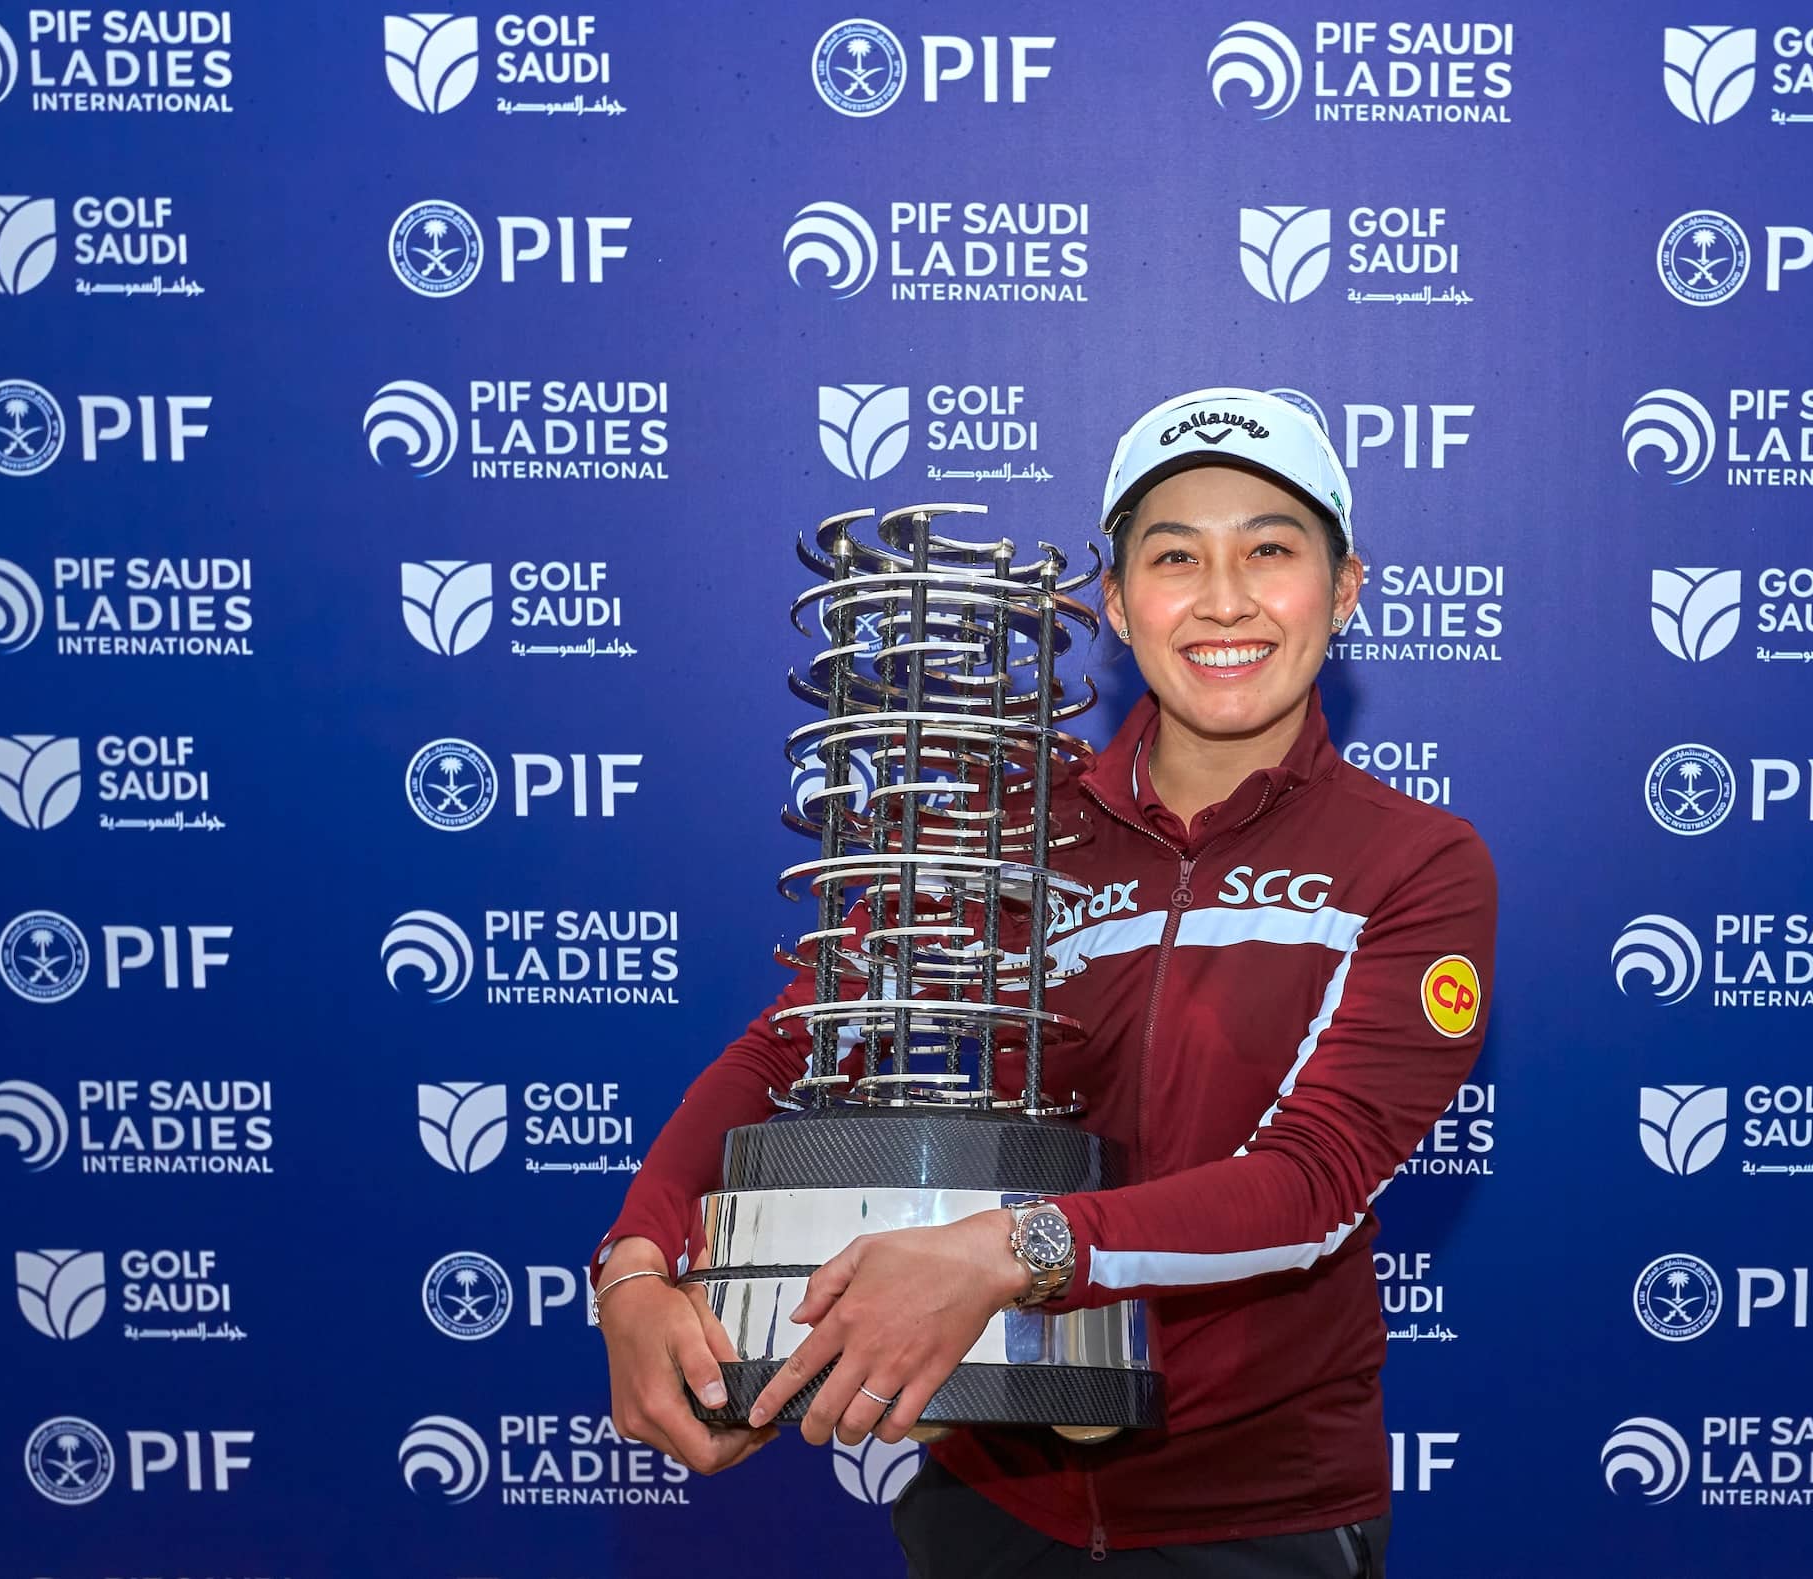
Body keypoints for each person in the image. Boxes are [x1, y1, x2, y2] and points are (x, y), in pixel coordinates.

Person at [590, 387, 1497, 1576]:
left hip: (1256, 1518)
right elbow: (795, 1045)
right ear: (1117, 605)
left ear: (1345, 588)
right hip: (991, 1501)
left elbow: (1313, 1183)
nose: (1225, 598)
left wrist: (1007, 1250)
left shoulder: (1418, 860)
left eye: (1270, 549)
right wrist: (636, 1263)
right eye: (1176, 557)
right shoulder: (1010, 832)